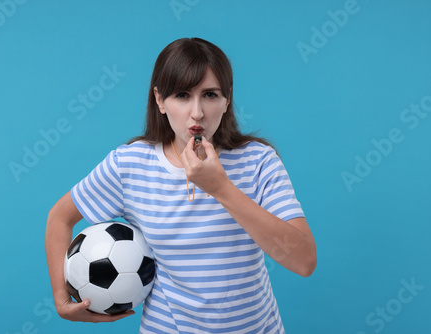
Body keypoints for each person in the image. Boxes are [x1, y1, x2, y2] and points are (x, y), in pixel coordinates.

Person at [45, 37, 317, 333]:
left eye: (210, 95)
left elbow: (304, 261)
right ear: (160, 100)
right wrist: (61, 298)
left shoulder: (258, 161)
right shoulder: (130, 165)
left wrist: (221, 188)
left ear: (227, 100)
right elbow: (60, 216)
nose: (197, 112)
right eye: (182, 95)